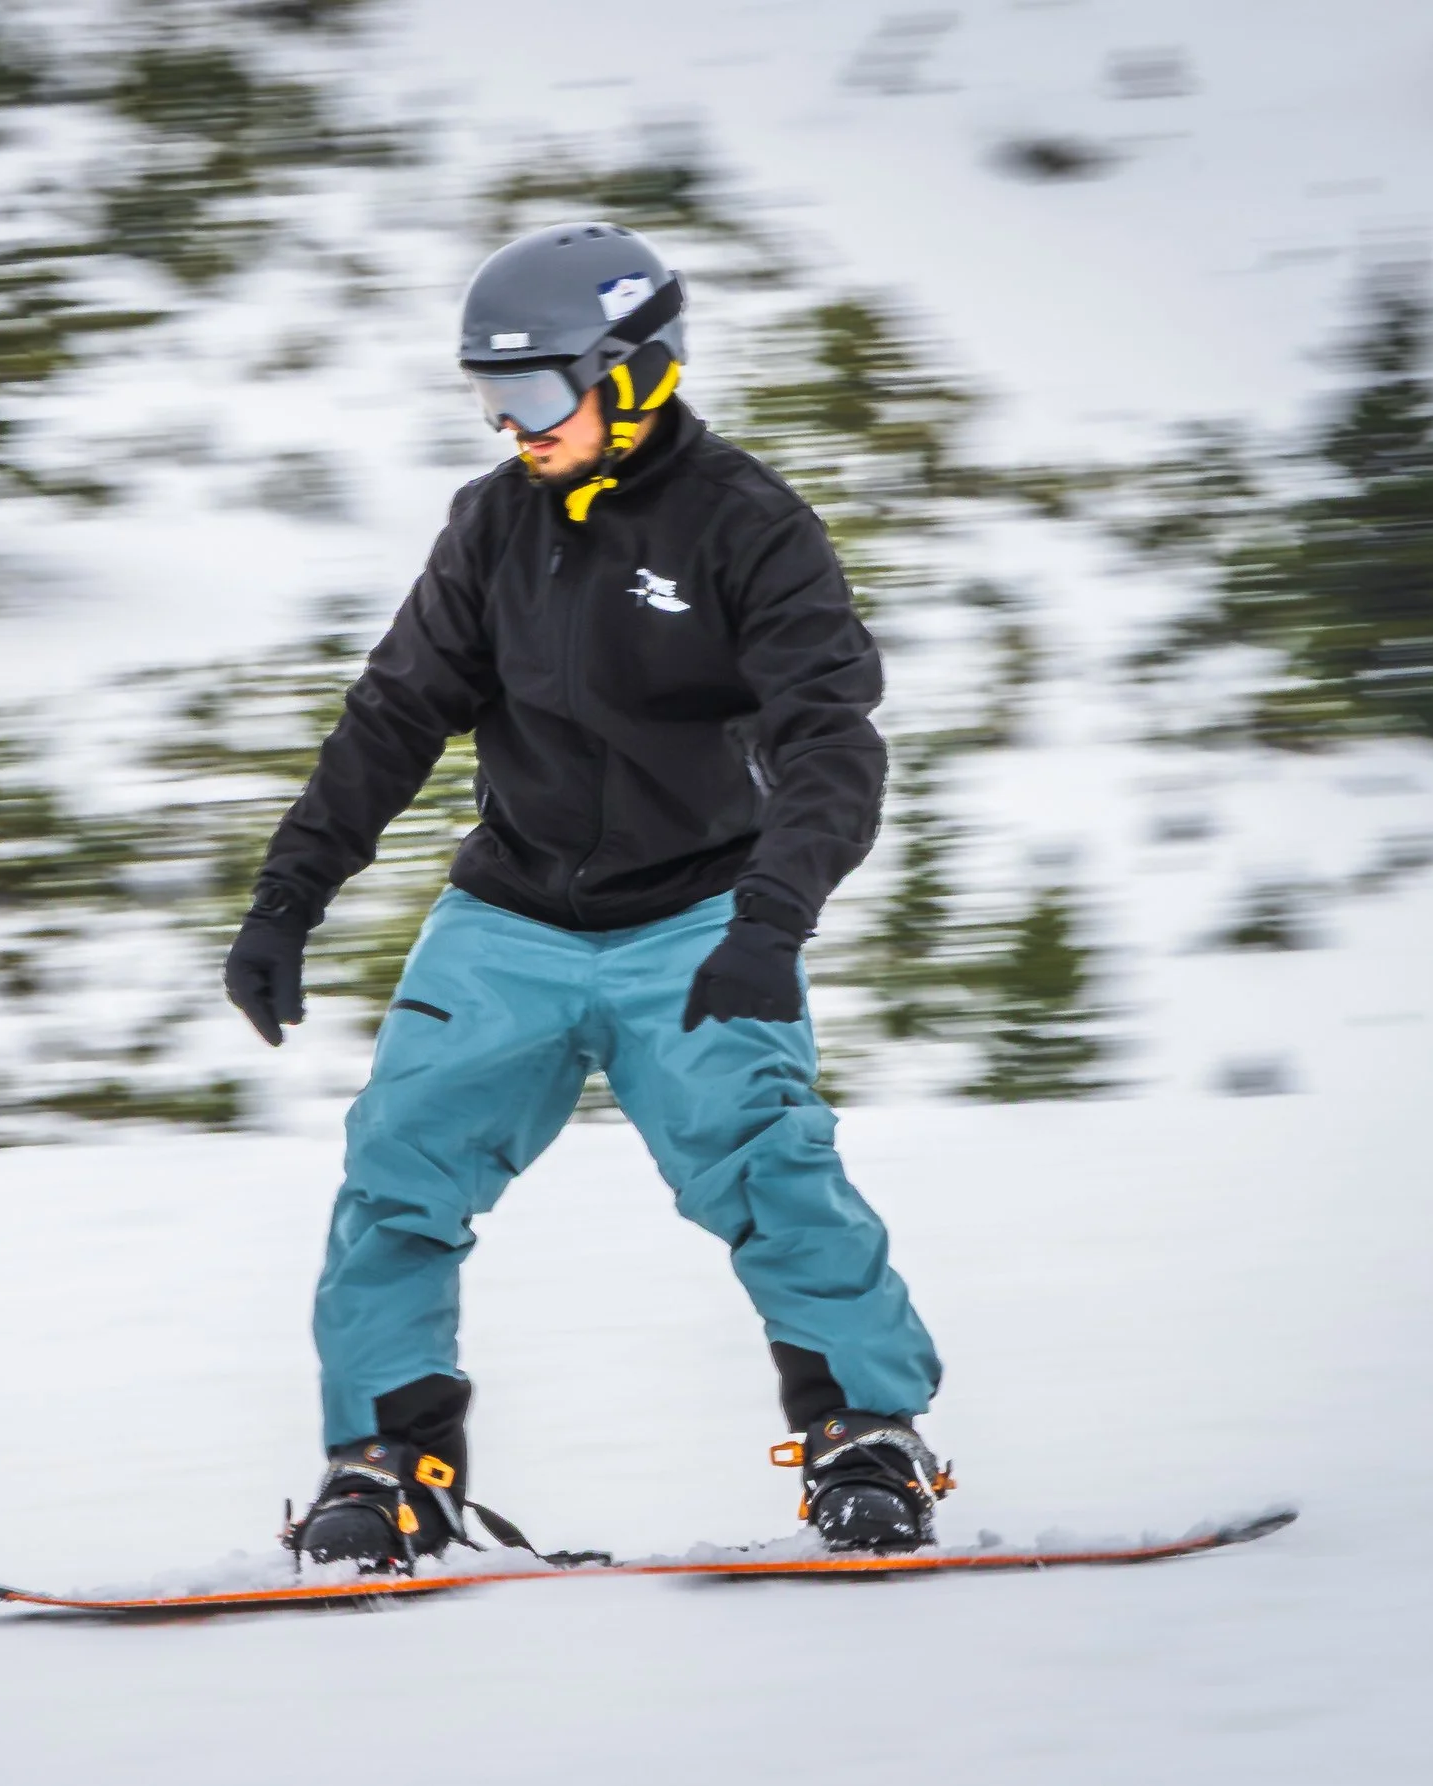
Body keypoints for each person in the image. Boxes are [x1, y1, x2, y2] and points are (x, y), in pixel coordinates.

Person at [222, 221, 948, 1567]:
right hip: (510, 918)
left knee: (771, 1169)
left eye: (540, 393)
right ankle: (390, 1466)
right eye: (489, 398)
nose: (513, 426)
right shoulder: (492, 526)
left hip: (700, 917)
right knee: (397, 1177)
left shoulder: (748, 526)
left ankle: (867, 1441)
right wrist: (288, 899)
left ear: (638, 371)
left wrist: (769, 920)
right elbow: (394, 715)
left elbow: (831, 742)